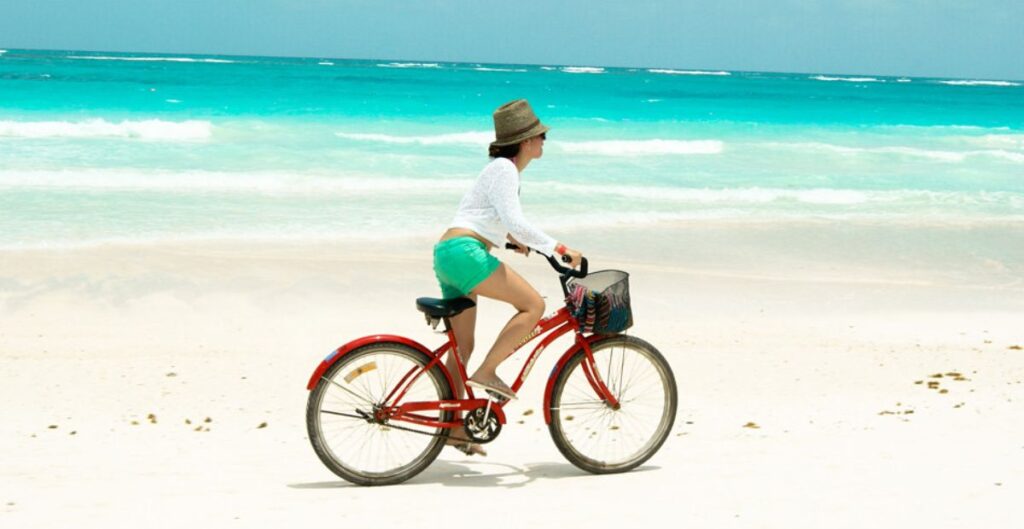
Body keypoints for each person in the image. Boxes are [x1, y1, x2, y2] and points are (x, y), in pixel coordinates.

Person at [433, 99, 583, 456]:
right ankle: (488, 372)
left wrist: (511, 244)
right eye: (540, 135)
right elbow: (514, 220)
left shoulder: (499, 171)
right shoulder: (505, 170)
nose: (544, 141)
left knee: (462, 346)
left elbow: (482, 217)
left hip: (449, 253)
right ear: (525, 141)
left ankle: (453, 429)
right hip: (466, 253)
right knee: (533, 305)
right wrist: (557, 247)